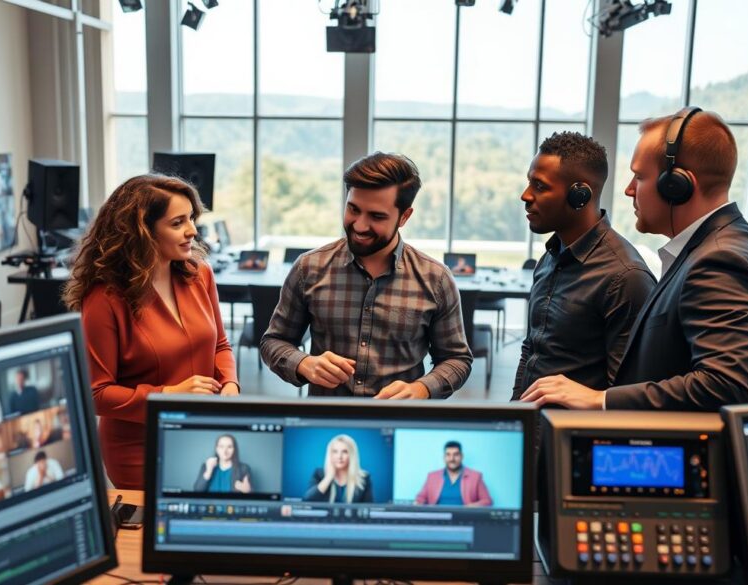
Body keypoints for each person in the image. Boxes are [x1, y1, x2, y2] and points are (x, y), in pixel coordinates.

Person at [520, 108, 748, 410]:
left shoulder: (721, 261)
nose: (628, 189)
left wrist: (600, 399)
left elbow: (728, 386)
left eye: (639, 176)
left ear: (676, 184)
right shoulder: (732, 247)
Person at [64, 174, 239, 489]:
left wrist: (230, 385)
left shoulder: (200, 275)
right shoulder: (105, 298)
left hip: (202, 431)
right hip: (138, 446)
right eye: (177, 223)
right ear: (143, 231)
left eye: (191, 219)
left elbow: (220, 346)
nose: (192, 231)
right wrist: (167, 396)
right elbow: (96, 394)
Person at [260, 152, 472, 398]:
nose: (359, 225)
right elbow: (273, 342)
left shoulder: (436, 279)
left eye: (376, 216)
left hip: (399, 426)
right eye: (353, 209)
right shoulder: (308, 268)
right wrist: (303, 363)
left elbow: (457, 359)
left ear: (404, 217)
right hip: (325, 421)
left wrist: (422, 389)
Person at [511, 132, 655, 399]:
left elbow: (627, 393)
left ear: (580, 195)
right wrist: (514, 414)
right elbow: (533, 350)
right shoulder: (550, 258)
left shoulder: (626, 278)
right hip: (534, 428)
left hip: (575, 436)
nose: (525, 195)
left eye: (540, 186)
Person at [415, 441, 492, 507]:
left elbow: (487, 501)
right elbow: (420, 498)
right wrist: (418, 503)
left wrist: (471, 507)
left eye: (456, 454)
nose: (452, 459)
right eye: (448, 455)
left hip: (464, 518)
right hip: (438, 518)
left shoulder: (475, 477)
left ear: (461, 456)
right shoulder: (432, 477)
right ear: (444, 457)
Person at [304, 435, 372, 503]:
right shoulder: (319, 474)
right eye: (335, 451)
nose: (339, 456)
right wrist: (328, 477)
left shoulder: (364, 478)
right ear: (330, 454)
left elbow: (369, 508)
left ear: (351, 455)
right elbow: (306, 501)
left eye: (345, 452)